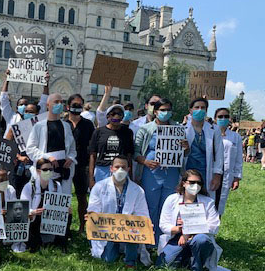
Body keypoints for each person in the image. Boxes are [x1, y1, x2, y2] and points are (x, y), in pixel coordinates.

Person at [156, 170, 232, 271]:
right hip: (176, 238)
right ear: (183, 183)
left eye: (199, 183)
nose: (195, 186)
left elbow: (214, 226)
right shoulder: (171, 199)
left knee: (202, 240)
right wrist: (179, 229)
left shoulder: (208, 202)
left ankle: (197, 268)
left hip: (198, 237)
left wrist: (189, 231)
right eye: (192, 182)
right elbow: (163, 224)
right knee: (162, 265)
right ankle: (186, 259)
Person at [134, 98, 189, 245]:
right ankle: (147, 239)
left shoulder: (178, 129)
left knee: (168, 206)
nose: (165, 113)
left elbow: (185, 152)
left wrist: (185, 147)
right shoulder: (145, 129)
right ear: (156, 112)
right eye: (162, 110)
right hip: (151, 173)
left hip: (171, 174)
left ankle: (163, 240)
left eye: (168, 110)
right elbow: (135, 152)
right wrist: (145, 161)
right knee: (150, 206)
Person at [87, 156, 150, 268]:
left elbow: (142, 214)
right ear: (111, 169)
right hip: (108, 231)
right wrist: (91, 215)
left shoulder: (138, 190)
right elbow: (94, 209)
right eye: (117, 167)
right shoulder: (99, 187)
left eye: (123, 167)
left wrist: (145, 224)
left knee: (133, 234)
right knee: (108, 260)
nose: (120, 170)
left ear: (128, 169)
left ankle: (130, 262)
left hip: (128, 232)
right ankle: (112, 254)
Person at [25, 93, 77, 196]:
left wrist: (70, 158)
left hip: (62, 172)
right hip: (45, 171)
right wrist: (47, 157)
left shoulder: (66, 126)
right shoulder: (39, 126)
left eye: (61, 102)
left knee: (61, 205)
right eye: (56, 102)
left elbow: (72, 148)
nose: (59, 104)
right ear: (48, 105)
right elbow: (30, 149)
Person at [66, 93, 95, 231]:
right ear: (68, 107)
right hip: (64, 165)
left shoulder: (88, 124)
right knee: (63, 197)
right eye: (74, 105)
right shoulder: (63, 123)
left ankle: (83, 226)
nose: (77, 107)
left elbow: (92, 148)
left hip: (82, 165)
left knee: (82, 197)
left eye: (79, 105)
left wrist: (90, 171)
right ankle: (64, 226)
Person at [20, 158, 64, 251]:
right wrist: (34, 212)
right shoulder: (29, 187)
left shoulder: (57, 186)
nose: (48, 172)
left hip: (49, 221)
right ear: (38, 171)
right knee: (34, 245)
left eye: (50, 169)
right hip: (34, 221)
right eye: (45, 170)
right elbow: (22, 209)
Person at [88, 104, 134, 187]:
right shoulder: (98, 132)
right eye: (113, 114)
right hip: (102, 169)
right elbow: (92, 155)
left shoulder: (127, 132)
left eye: (119, 114)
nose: (116, 116)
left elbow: (129, 155)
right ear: (108, 116)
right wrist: (91, 178)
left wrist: (130, 177)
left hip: (121, 169)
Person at [185, 97, 223, 193]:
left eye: (203, 108)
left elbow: (219, 153)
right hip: (187, 170)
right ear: (190, 110)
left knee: (204, 200)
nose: (200, 110)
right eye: (196, 107)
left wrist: (217, 175)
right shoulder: (182, 128)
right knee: (187, 199)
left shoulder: (214, 129)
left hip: (206, 172)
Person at [0, 70, 49, 139]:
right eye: (21, 104)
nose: (24, 106)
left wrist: (45, 83)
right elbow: (3, 100)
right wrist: (7, 80)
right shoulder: (11, 117)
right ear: (17, 107)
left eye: (26, 105)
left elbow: (44, 101)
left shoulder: (36, 120)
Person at [214, 108, 242, 216]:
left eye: (226, 116)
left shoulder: (236, 137)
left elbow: (238, 159)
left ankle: (214, 230)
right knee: (208, 201)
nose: (223, 119)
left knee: (220, 202)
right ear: (215, 119)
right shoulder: (210, 134)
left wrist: (236, 177)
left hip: (226, 174)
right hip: (211, 173)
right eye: (220, 117)